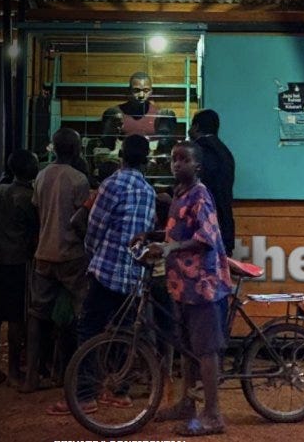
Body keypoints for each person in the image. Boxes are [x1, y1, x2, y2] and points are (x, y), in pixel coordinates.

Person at [46, 135, 155, 415]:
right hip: (133, 274)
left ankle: (84, 395)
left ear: (122, 157)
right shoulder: (148, 190)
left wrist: (94, 255)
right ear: (146, 161)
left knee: (89, 329)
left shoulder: (112, 183)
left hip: (107, 270)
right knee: (124, 332)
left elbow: (94, 226)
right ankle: (119, 391)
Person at [145, 141, 233, 436]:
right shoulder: (179, 196)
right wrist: (149, 236)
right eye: (173, 159)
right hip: (183, 286)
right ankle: (187, 402)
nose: (177, 164)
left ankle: (213, 414)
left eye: (184, 160)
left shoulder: (200, 195)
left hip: (203, 285)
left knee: (205, 351)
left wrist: (170, 247)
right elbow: (176, 231)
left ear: (197, 166)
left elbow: (205, 237)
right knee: (187, 347)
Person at [20, 128, 93, 394]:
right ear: (75, 150)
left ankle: (31, 376)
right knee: (79, 314)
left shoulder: (41, 175)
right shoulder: (79, 179)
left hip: (44, 253)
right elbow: (79, 220)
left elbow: (39, 210)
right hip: (71, 255)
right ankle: (69, 374)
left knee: (38, 315)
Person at [0, 150, 40, 387]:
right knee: (17, 316)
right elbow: (33, 231)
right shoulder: (28, 196)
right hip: (19, 260)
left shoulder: (1, 191)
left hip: (0, 257)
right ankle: (14, 371)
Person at [189, 109, 236, 255]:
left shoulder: (197, 151)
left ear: (196, 127)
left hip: (202, 226)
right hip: (224, 223)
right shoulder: (225, 151)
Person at [100, 72, 178, 155]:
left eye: (146, 90)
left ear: (151, 92)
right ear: (129, 90)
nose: (141, 95)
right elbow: (106, 143)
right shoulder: (116, 114)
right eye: (136, 90)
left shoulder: (158, 115)